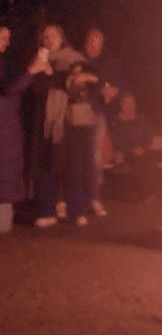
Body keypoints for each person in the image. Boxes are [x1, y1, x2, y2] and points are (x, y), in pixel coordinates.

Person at [31, 23, 84, 227]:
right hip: (46, 122)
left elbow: (78, 84)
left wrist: (52, 76)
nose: (50, 39)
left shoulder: (73, 58)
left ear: (62, 37)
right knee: (45, 166)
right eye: (46, 37)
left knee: (71, 167)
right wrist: (57, 77)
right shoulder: (38, 60)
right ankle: (47, 211)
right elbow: (37, 86)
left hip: (68, 121)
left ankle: (75, 210)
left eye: (53, 35)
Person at [0, 22, 48, 233]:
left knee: (7, 172)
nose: (7, 42)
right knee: (5, 172)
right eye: (2, 38)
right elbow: (10, 89)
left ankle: (3, 220)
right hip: (4, 126)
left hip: (8, 124)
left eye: (8, 38)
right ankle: (2, 221)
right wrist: (31, 71)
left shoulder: (4, 62)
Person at [82, 26, 126, 217]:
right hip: (78, 114)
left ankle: (94, 197)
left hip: (98, 114)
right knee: (78, 157)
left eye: (98, 43)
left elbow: (119, 88)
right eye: (91, 42)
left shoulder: (109, 63)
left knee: (95, 157)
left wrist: (112, 93)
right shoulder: (79, 60)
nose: (94, 46)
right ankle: (74, 198)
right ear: (86, 43)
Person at [62, 58, 104, 225]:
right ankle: (76, 211)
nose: (79, 75)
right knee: (74, 170)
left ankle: (85, 207)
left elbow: (102, 85)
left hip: (88, 130)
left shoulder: (90, 87)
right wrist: (74, 79)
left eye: (81, 72)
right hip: (72, 131)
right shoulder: (67, 85)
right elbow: (68, 90)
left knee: (88, 169)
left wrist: (89, 77)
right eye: (75, 72)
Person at [109, 91, 154, 202]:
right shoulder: (116, 122)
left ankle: (145, 194)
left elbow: (149, 137)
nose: (130, 105)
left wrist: (143, 149)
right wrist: (130, 149)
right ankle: (142, 195)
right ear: (121, 105)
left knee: (148, 163)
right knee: (135, 164)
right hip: (126, 153)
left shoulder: (141, 120)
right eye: (126, 103)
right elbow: (115, 141)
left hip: (143, 152)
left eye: (132, 102)